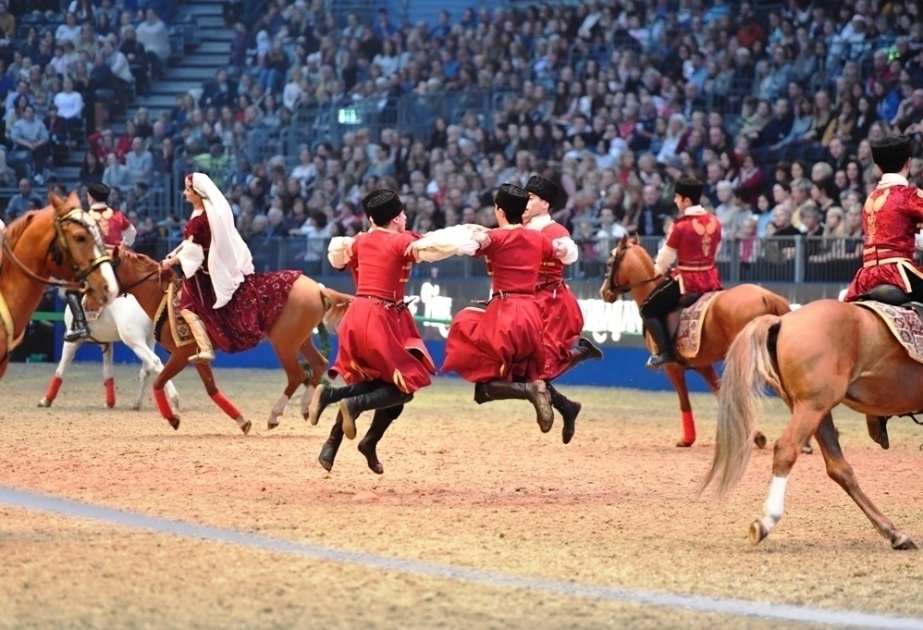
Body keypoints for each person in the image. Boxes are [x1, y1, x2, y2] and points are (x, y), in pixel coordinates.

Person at [310, 189, 480, 474]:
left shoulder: (358, 241)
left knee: (379, 384)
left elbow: (338, 259)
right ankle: (351, 407)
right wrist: (461, 242)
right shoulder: (400, 240)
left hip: (356, 315)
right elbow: (430, 248)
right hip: (382, 316)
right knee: (405, 386)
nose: (405, 219)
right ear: (397, 217)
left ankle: (333, 434)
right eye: (402, 215)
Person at [441, 184, 575, 432]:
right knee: (520, 372)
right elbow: (564, 251)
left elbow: (467, 247)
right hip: (532, 315)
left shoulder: (494, 238)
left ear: (499, 211)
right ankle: (561, 401)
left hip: (506, 312)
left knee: (465, 326)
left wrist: (470, 236)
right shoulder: (539, 238)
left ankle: (531, 390)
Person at [160, 173, 301, 363]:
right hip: (207, 265)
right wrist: (176, 253)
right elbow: (189, 244)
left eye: (187, 189)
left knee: (185, 307)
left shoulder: (198, 220)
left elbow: (193, 252)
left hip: (202, 272)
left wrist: (171, 261)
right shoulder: (206, 215)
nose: (184, 193)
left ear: (198, 193)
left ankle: (205, 347)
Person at [523, 175, 603, 444]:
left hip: (550, 303)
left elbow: (570, 251)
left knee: (536, 369)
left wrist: (556, 247)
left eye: (531, 198)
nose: (526, 202)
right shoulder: (520, 227)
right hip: (527, 302)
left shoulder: (554, 231)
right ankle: (568, 407)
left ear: (545, 204)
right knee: (525, 368)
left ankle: (580, 355)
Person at [640, 176, 723, 370]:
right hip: (712, 280)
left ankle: (665, 353)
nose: (675, 201)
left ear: (686, 200)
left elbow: (666, 257)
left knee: (648, 309)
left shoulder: (680, 225)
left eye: (677, 197)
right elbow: (716, 250)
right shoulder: (716, 221)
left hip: (688, 281)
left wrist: (657, 270)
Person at [843, 135, 923, 304]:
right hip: (897, 272)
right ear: (908, 163)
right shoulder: (910, 196)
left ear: (878, 166)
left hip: (865, 276)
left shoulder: (870, 198)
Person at [63, 181, 136, 342]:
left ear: (91, 198)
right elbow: (132, 232)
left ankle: (80, 325)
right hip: (118, 260)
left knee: (71, 289)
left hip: (97, 263)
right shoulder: (117, 215)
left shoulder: (85, 217)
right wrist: (124, 245)